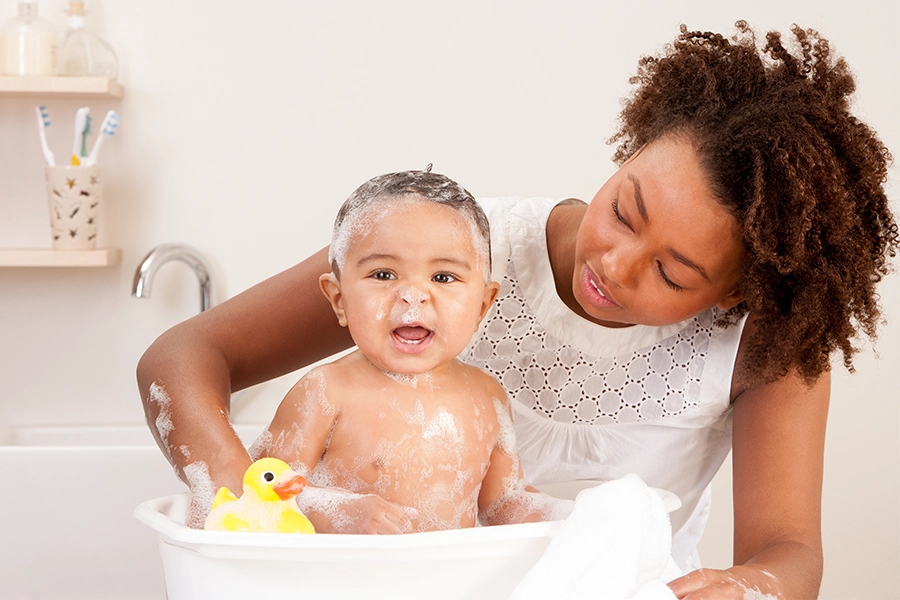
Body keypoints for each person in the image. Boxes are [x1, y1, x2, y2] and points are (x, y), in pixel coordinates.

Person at [137, 21, 898, 600]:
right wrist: (249, 515)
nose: (612, 264)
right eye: (625, 210)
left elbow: (789, 550)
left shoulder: (762, 343)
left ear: (733, 293)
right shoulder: (453, 253)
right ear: (631, 148)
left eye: (671, 271)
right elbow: (183, 357)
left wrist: (749, 586)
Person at [247, 170, 572, 533]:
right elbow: (261, 492)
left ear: (482, 306)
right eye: (384, 275)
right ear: (339, 300)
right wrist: (338, 512)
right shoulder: (326, 391)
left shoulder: (487, 396)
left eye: (443, 277)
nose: (413, 295)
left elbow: (503, 503)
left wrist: (580, 517)